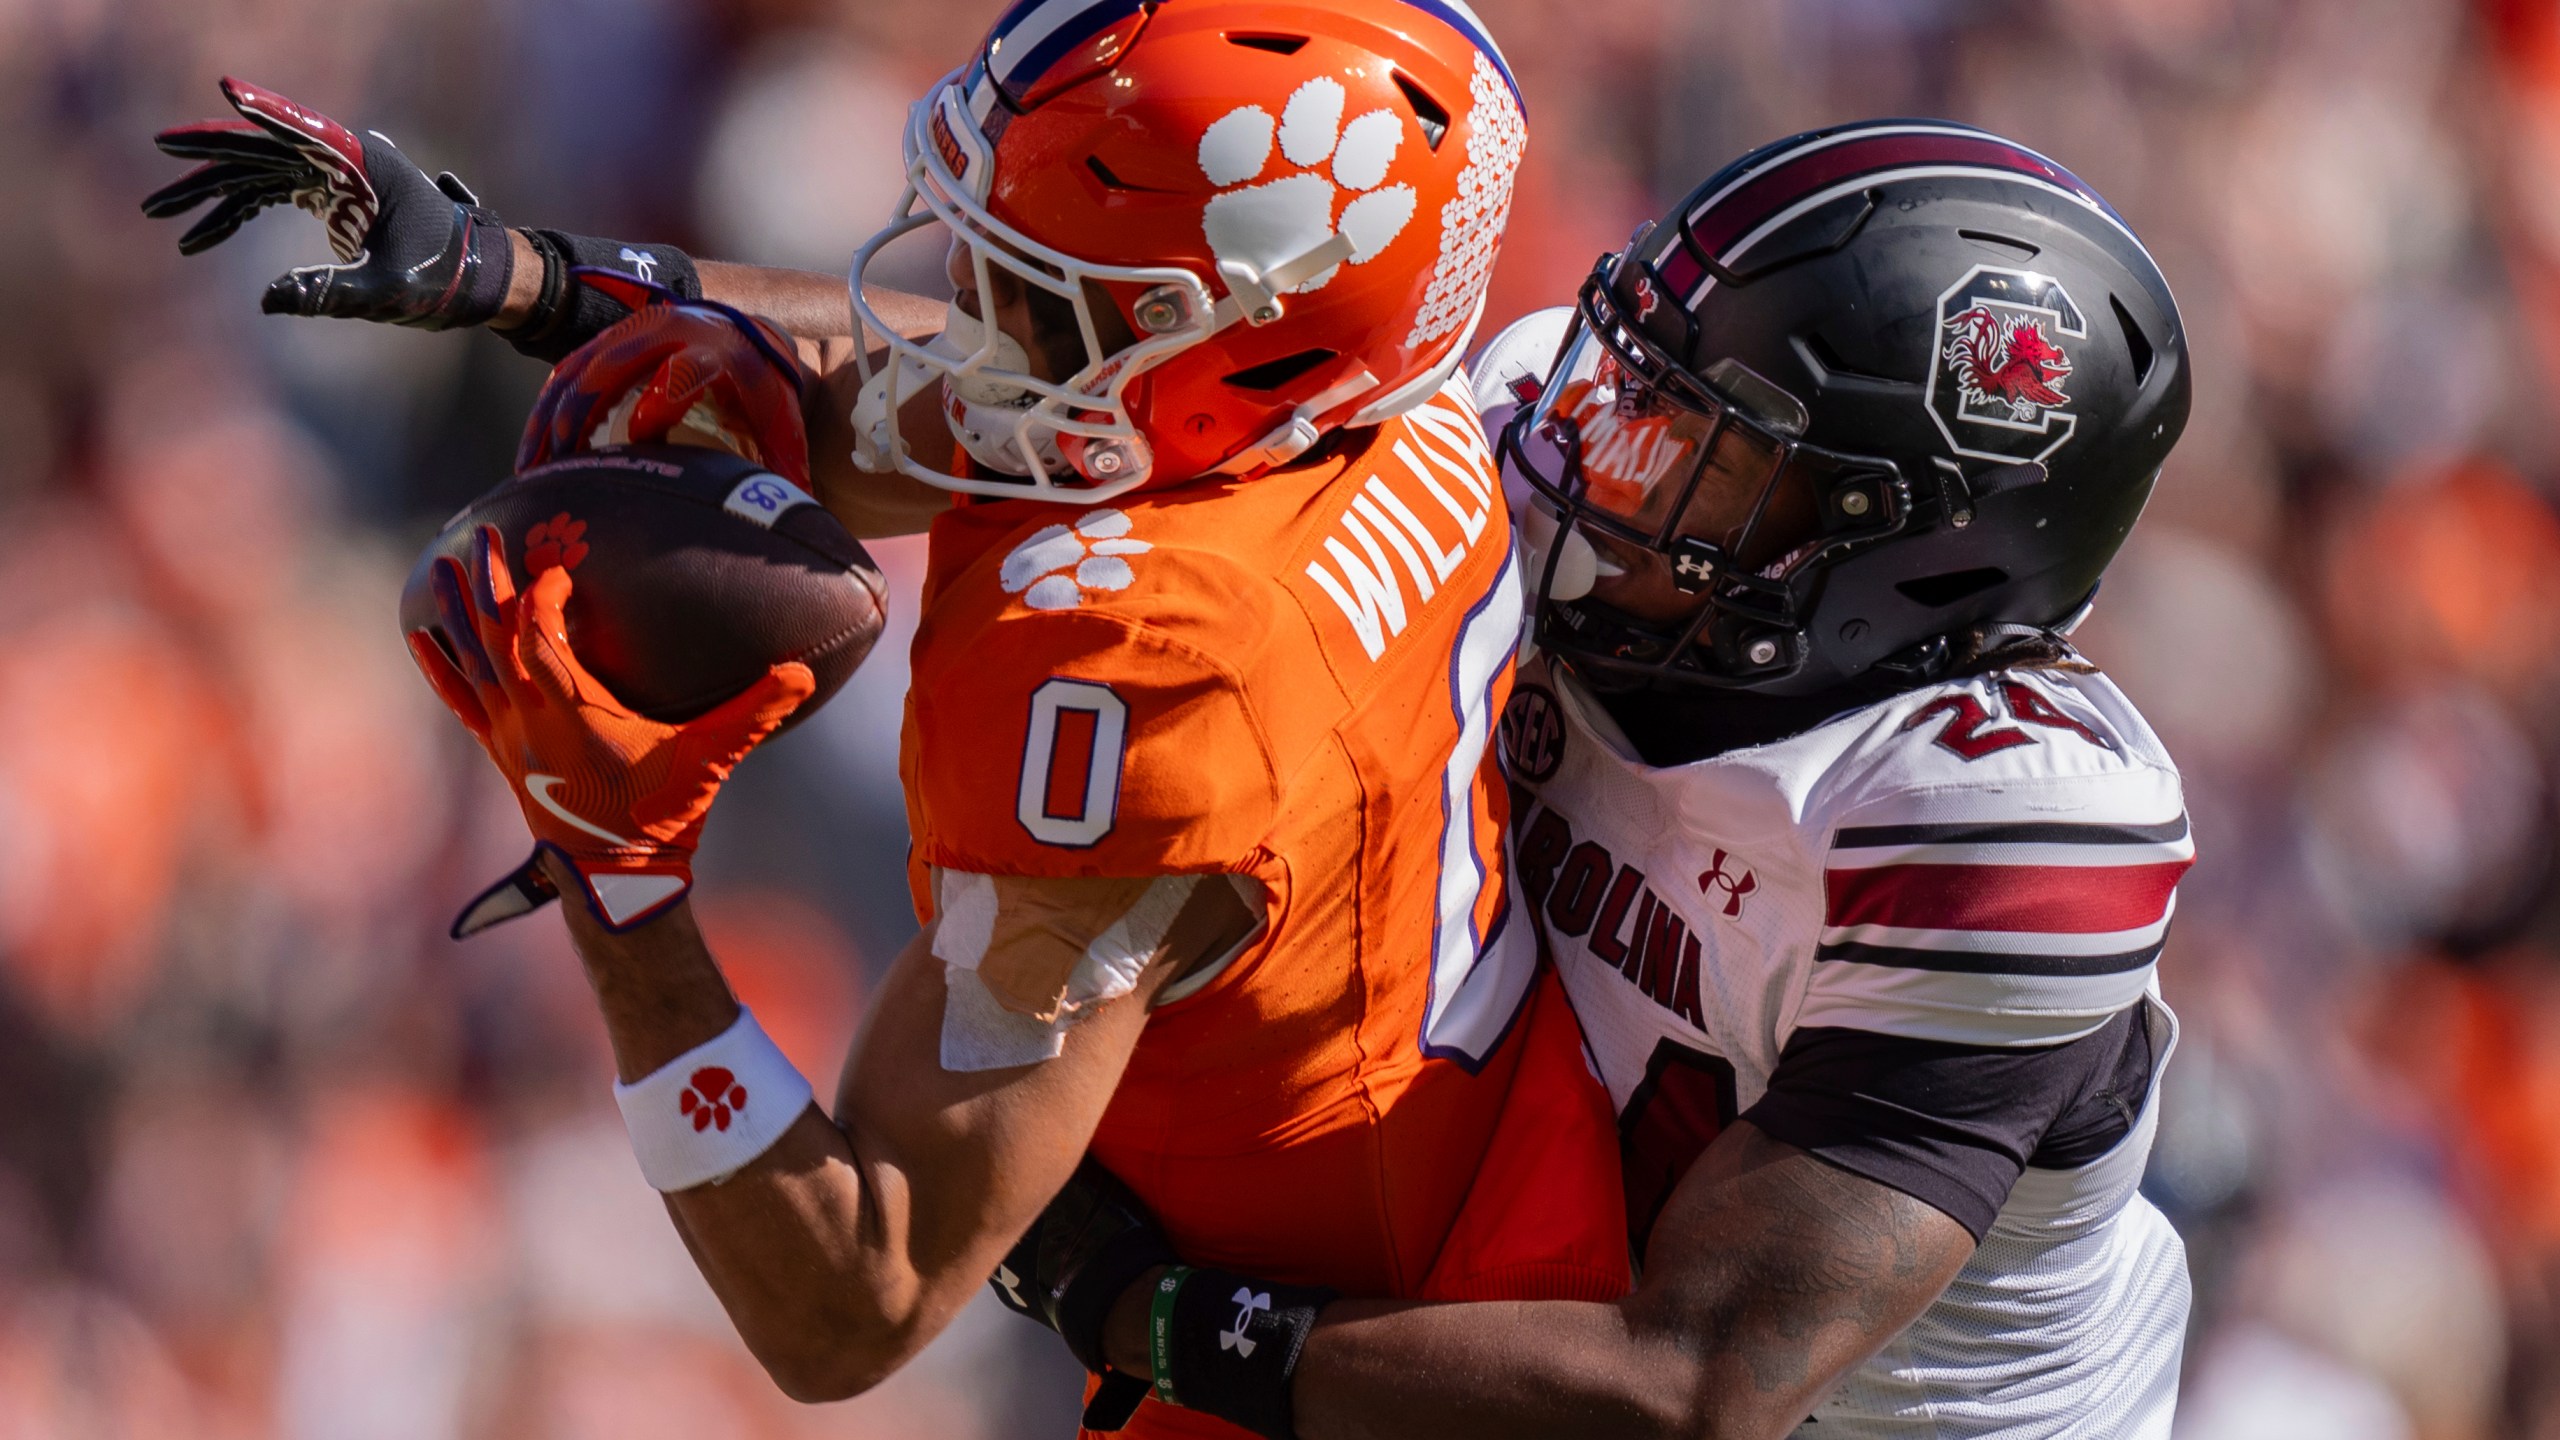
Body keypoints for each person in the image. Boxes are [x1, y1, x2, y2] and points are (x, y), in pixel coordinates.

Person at [144, 2, 1631, 1433]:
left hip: (1338, 1375)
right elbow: (980, 379)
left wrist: (619, 885)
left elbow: (859, 1295)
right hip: (1472, 1193)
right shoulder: (1352, 394)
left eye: (1024, 279)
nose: (962, 300)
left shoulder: (1149, 677)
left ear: (1209, 327)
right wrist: (533, 277)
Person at [1007, 119, 2201, 1440]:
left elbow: (1684, 1387)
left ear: (1896, 556)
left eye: (1705, 448)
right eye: (1635, 384)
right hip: (1498, 1272)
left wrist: (1141, 1311)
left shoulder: (1994, 828)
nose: (1594, 456)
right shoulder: (1544, 438)